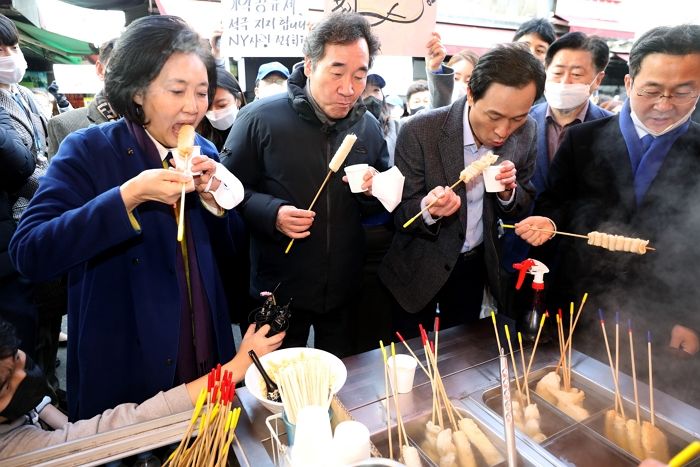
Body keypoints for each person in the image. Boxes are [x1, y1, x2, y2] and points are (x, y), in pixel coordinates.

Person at [10, 15, 253, 421]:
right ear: (138, 92)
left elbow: (228, 256)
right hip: (126, 352)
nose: (193, 108)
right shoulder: (88, 150)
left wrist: (215, 202)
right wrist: (128, 197)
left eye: (201, 92)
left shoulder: (206, 153)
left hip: (204, 339)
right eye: (177, 91)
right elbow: (30, 251)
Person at [514, 24, 700, 405]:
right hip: (583, 306)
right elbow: (554, 201)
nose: (665, 105)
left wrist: (691, 317)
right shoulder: (584, 139)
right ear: (630, 83)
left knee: (647, 413)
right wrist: (548, 223)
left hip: (665, 320)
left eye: (683, 92)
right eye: (652, 91)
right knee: (574, 404)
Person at [222, 12, 389, 358]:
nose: (349, 89)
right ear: (310, 65)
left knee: (341, 381)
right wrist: (273, 213)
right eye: (337, 72)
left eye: (359, 75)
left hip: (344, 288)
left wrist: (375, 191)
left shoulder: (369, 127)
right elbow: (226, 190)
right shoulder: (258, 119)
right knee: (275, 384)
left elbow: (380, 201)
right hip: (278, 287)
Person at [379, 43, 544, 336]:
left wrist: (508, 194)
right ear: (470, 92)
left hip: (474, 266)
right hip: (417, 266)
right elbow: (400, 213)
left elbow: (525, 198)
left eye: (516, 118)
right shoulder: (420, 131)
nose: (503, 131)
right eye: (494, 116)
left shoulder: (528, 130)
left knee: (461, 358)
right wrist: (427, 210)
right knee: (410, 356)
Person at [0, 317, 282, 459]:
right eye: (5, 385)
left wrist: (48, 413)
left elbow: (59, 424)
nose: (23, 376)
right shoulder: (13, 453)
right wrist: (233, 369)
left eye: (18, 359)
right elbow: (120, 426)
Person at [0, 14, 50, 368]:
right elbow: (20, 167)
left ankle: (41, 390)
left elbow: (41, 152)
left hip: (40, 213)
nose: (9, 56)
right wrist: (56, 187)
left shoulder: (24, 95)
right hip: (17, 217)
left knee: (41, 313)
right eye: (0, 50)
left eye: (13, 47)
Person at [47, 38, 119, 159]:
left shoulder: (156, 120)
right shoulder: (65, 125)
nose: (130, 76)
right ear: (100, 69)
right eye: (119, 67)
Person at [425, 31, 479, 108]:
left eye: (468, 81)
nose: (461, 85)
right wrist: (435, 68)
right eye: (456, 78)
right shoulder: (432, 114)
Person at [198, 67, 246, 151]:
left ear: (239, 100)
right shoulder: (198, 138)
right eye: (208, 107)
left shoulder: (252, 134)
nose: (214, 112)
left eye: (222, 105)